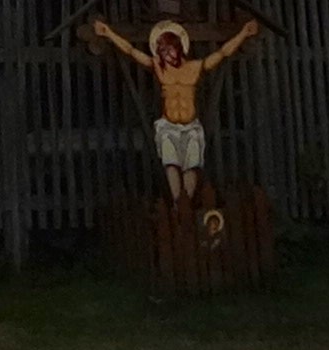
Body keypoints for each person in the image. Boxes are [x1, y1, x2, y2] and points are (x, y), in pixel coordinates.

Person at [91, 14, 261, 209]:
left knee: (192, 166)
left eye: (169, 49)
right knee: (171, 163)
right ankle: (175, 202)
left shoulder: (194, 67)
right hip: (168, 126)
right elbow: (131, 51)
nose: (166, 54)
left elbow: (222, 53)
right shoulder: (159, 68)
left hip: (191, 126)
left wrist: (243, 33)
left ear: (178, 47)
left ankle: (185, 203)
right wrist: (109, 33)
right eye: (162, 50)